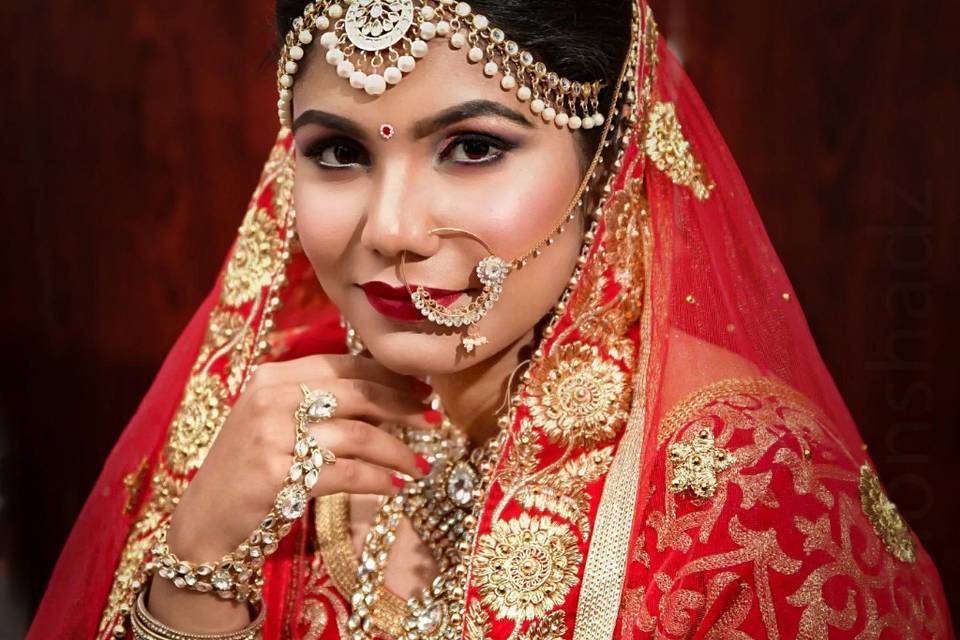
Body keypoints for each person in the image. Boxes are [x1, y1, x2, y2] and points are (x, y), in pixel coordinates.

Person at [28, 1, 953, 638]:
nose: (390, 231)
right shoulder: (263, 421)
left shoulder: (747, 492)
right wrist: (200, 560)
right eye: (339, 152)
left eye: (472, 148)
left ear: (610, 156)